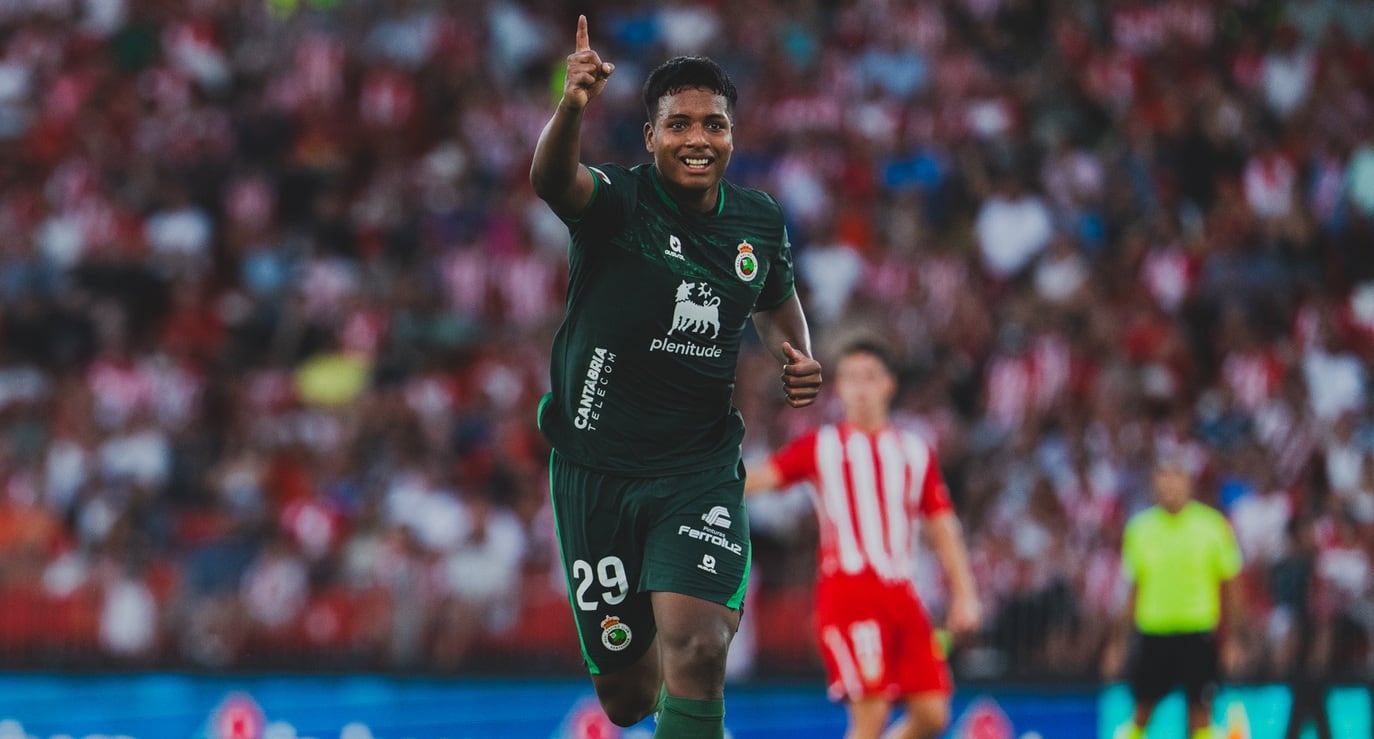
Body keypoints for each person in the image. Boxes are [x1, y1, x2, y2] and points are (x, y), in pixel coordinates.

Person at [529, 16, 823, 738]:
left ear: (733, 134)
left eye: (714, 124)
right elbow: (550, 179)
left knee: (699, 645)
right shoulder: (619, 203)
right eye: (680, 124)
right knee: (628, 698)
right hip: (596, 472)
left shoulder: (757, 222)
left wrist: (798, 357)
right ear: (652, 136)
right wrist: (571, 104)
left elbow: (779, 309)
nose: (699, 137)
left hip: (696, 468)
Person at [744, 339, 980, 739]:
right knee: (870, 717)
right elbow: (761, 477)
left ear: (888, 384)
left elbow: (942, 526)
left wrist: (965, 594)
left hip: (905, 595)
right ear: (840, 389)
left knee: (933, 713)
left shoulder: (914, 451)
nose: (860, 388)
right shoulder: (823, 447)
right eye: (850, 379)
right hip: (849, 593)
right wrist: (701, 479)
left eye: (869, 377)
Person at [1103, 460, 1244, 739]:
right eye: (1163, 477)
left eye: (1176, 477)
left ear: (1188, 483)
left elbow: (1230, 588)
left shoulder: (1212, 526)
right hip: (1154, 632)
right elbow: (1133, 590)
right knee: (1142, 711)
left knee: (1200, 715)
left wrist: (1232, 640)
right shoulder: (1140, 529)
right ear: (1155, 484)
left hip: (1197, 632)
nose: (1169, 485)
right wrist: (1118, 642)